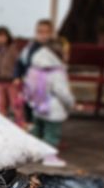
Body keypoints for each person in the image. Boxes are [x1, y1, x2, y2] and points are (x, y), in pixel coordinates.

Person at [23, 37, 76, 166]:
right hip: (53, 110)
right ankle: (49, 158)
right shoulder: (56, 71)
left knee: (37, 132)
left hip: (37, 106)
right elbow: (62, 92)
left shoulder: (35, 67)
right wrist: (71, 102)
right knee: (52, 135)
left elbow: (28, 86)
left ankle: (34, 154)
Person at [0, 26, 24, 126]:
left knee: (15, 104)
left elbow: (18, 63)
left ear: (8, 37)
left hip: (11, 81)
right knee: (1, 103)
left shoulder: (12, 49)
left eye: (3, 36)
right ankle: (2, 123)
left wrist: (18, 77)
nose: (1, 39)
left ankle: (20, 123)